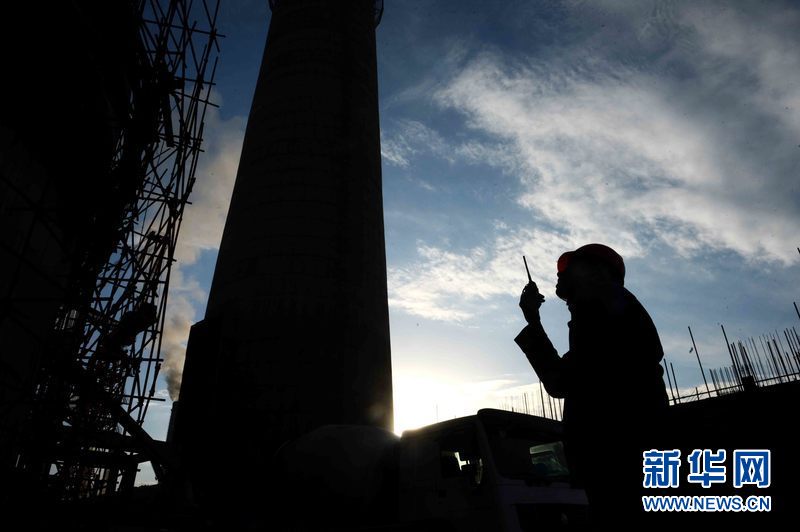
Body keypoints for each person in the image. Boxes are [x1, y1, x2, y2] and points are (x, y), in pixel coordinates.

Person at [515, 243, 668, 524]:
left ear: (598, 272)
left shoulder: (603, 306)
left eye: (569, 266)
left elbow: (561, 381)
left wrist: (533, 321)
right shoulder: (606, 311)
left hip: (615, 464)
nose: (559, 273)